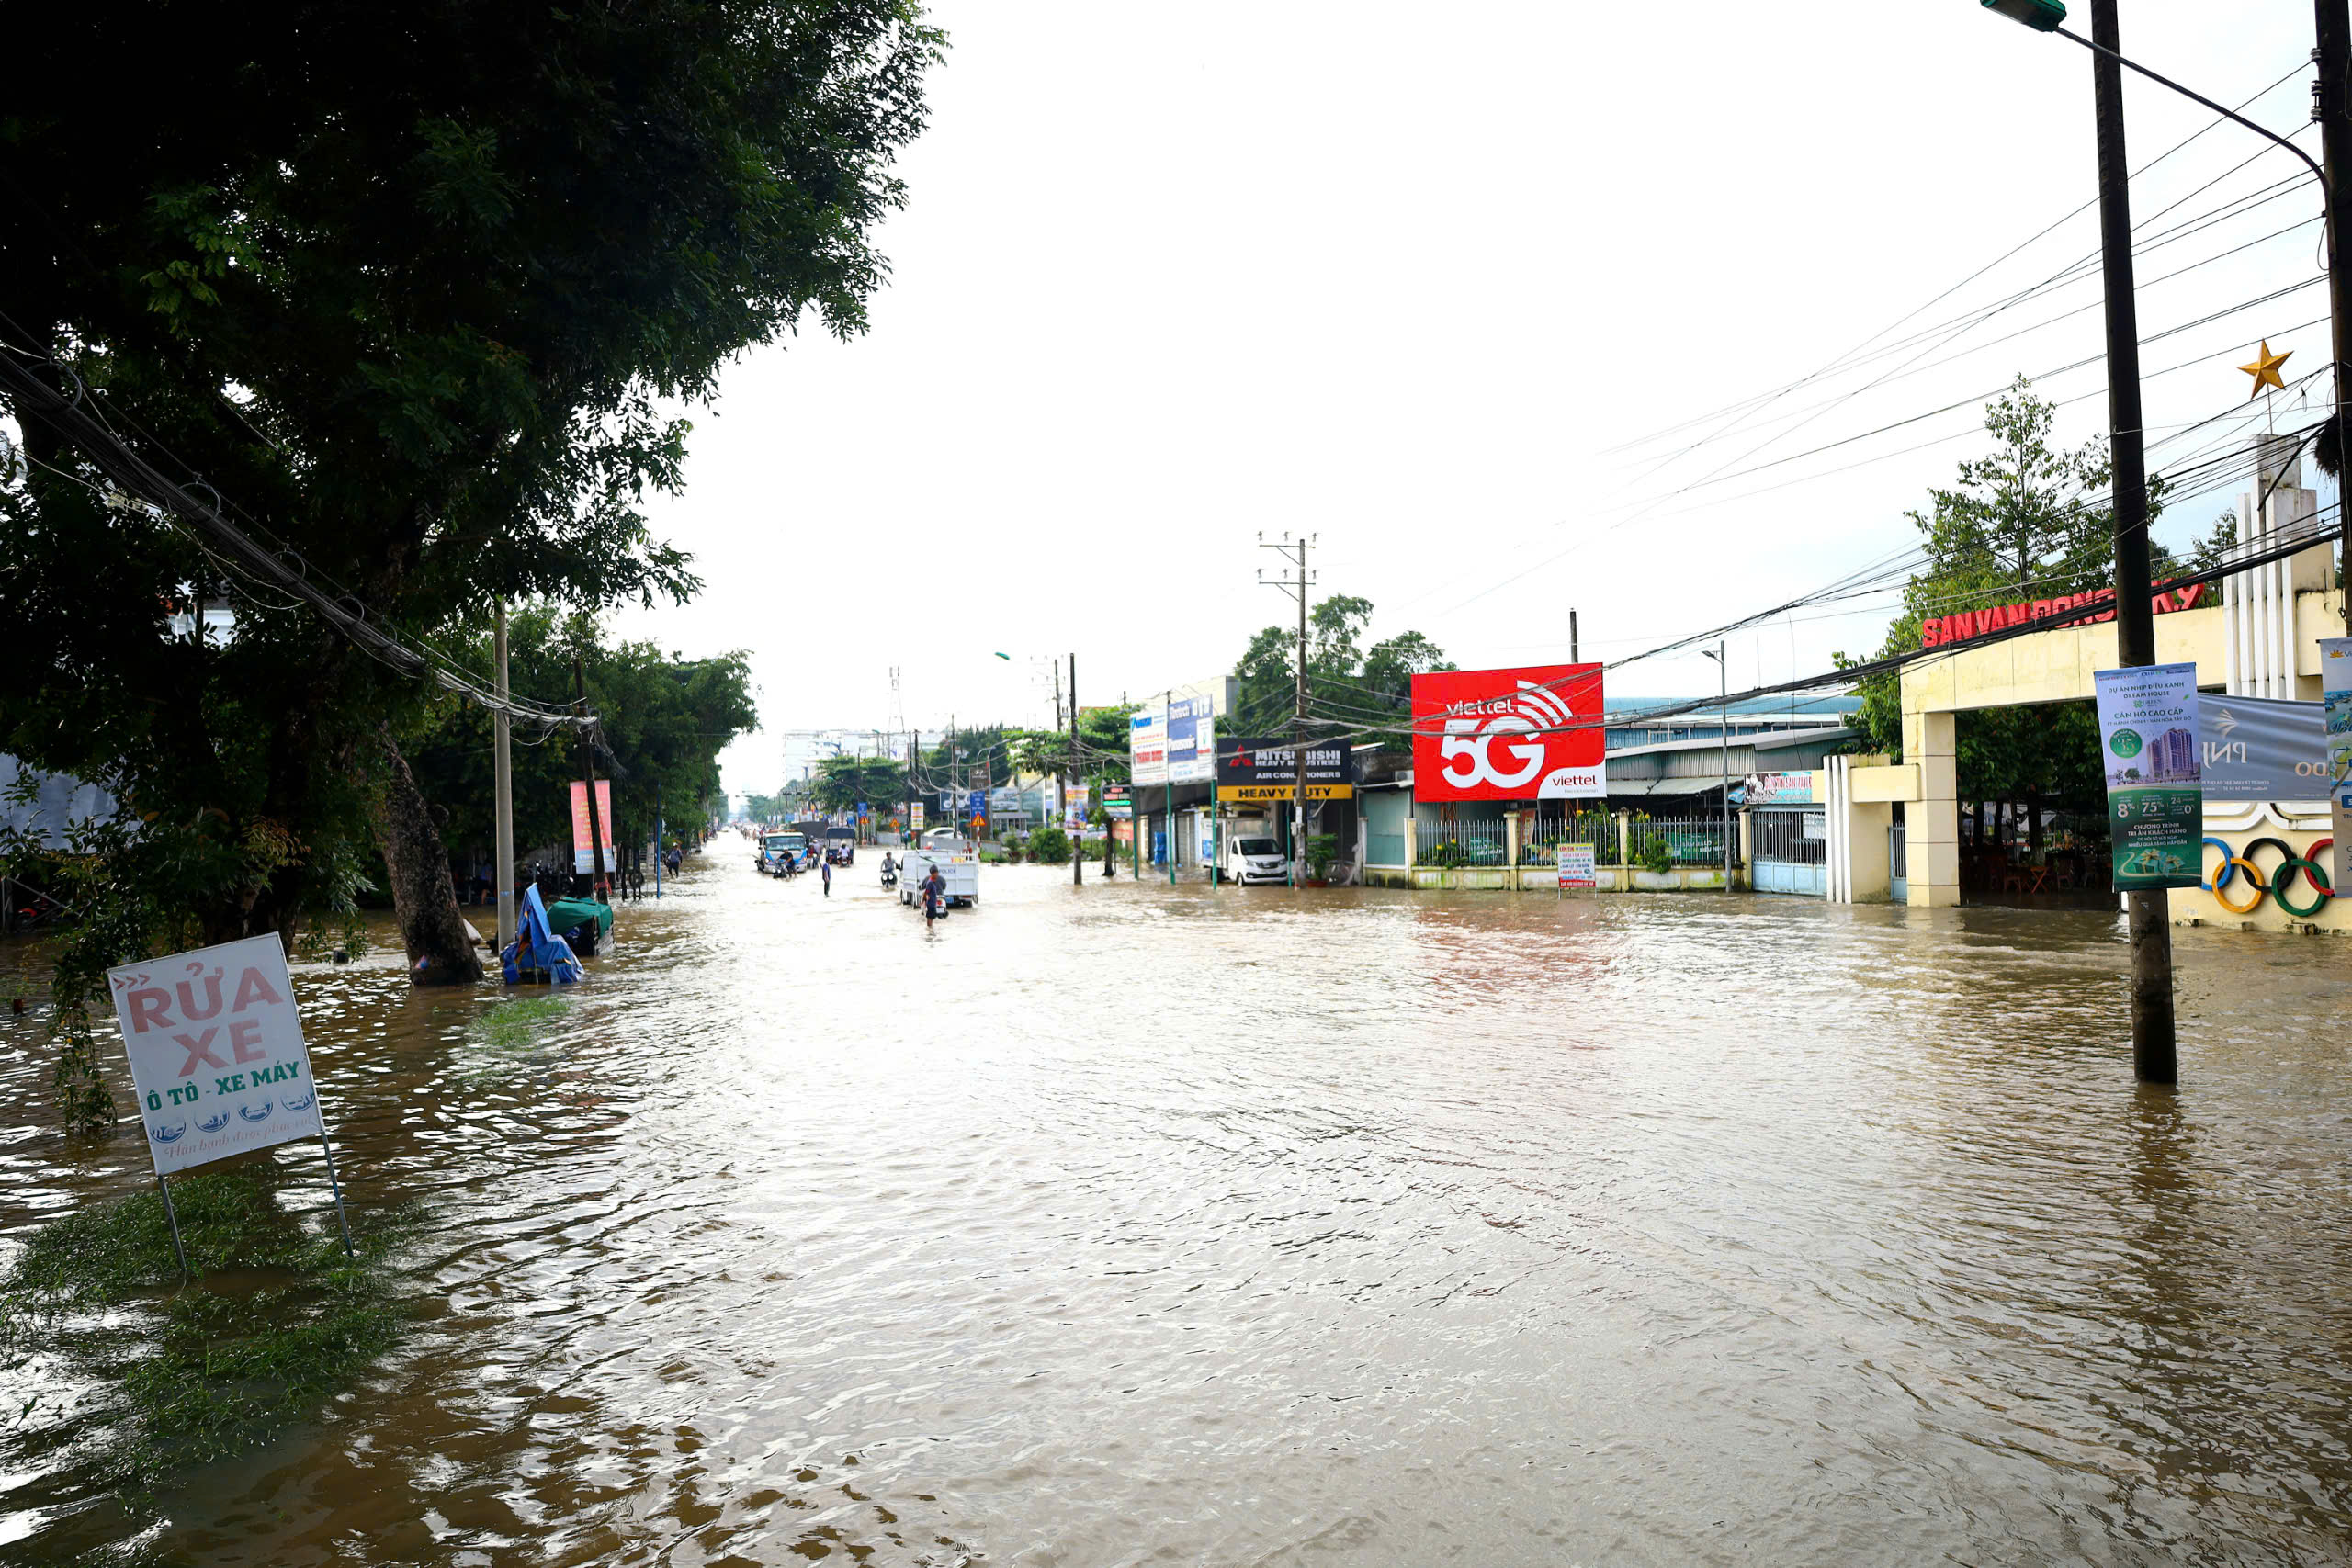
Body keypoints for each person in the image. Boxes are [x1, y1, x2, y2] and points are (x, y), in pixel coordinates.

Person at [920, 863, 944, 930]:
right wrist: (923, 902)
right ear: (931, 874)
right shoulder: (930, 882)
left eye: (937, 873)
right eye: (935, 874)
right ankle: (929, 930)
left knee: (931, 918)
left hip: (933, 903)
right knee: (930, 918)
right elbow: (926, 892)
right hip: (930, 904)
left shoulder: (933, 881)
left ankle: (930, 930)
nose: (937, 875)